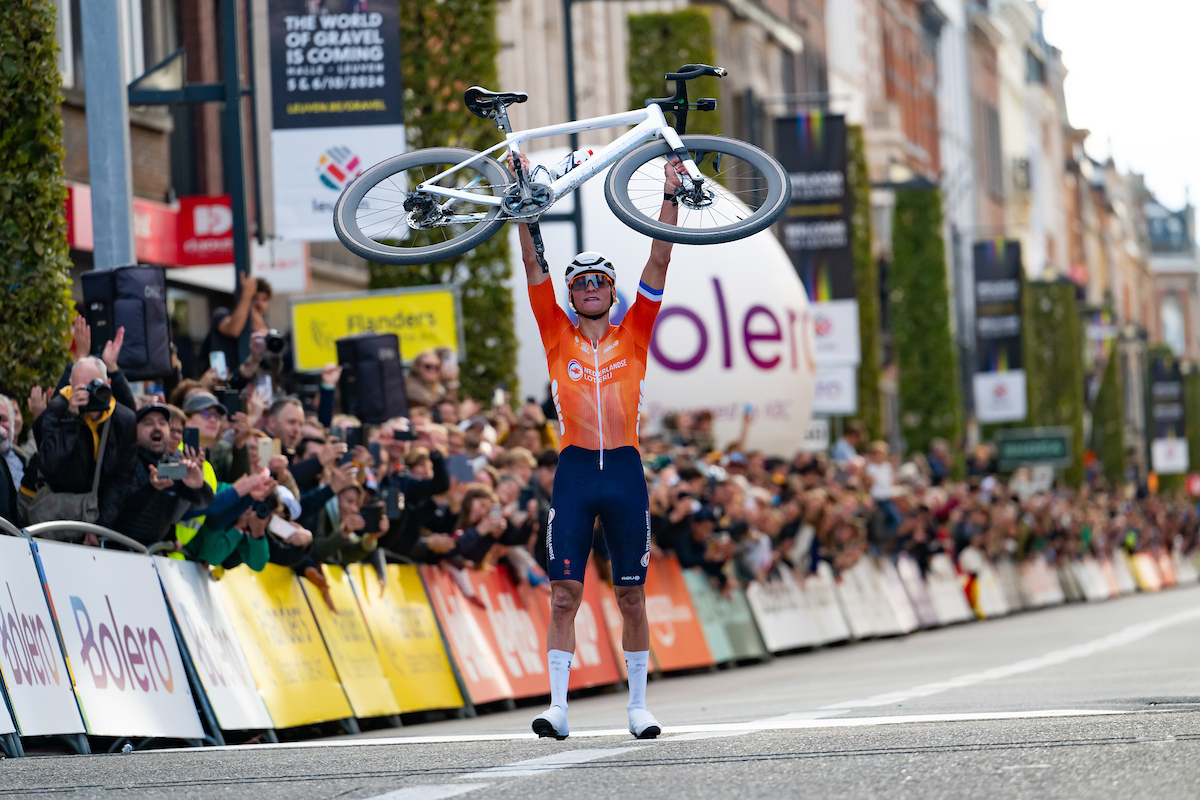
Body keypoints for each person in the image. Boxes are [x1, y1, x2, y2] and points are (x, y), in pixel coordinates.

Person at [511, 151, 680, 740]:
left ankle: (638, 707)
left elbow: (660, 254)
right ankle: (557, 707)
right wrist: (520, 204)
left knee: (632, 598)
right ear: (571, 293)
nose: (588, 289)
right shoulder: (555, 332)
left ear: (611, 293)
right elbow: (533, 264)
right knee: (564, 595)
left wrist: (670, 192)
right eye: (579, 283)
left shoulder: (635, 333)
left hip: (627, 474)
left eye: (599, 283)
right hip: (576, 473)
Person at [20, 357, 138, 532]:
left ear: (109, 383)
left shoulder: (124, 419)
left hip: (93, 513)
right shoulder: (56, 411)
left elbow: (121, 480)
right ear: (70, 385)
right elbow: (50, 465)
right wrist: (71, 418)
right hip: (50, 509)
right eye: (82, 388)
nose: (90, 394)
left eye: (96, 386)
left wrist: (100, 528)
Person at [111, 404, 213, 547]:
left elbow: (203, 503)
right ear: (135, 433)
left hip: (153, 555)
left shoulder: (173, 466)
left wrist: (198, 485)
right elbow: (116, 514)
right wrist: (152, 488)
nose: (157, 427)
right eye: (148, 423)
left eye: (163, 423)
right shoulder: (123, 462)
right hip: (117, 551)